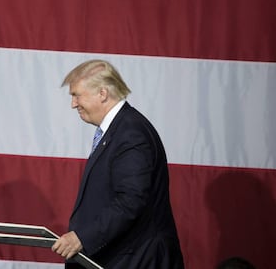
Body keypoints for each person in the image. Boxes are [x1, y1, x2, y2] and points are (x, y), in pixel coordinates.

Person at [51, 59, 185, 269]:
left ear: (102, 93)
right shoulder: (120, 129)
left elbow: (131, 201)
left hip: (138, 260)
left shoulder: (130, 133)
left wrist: (82, 238)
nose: (73, 104)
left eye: (77, 95)